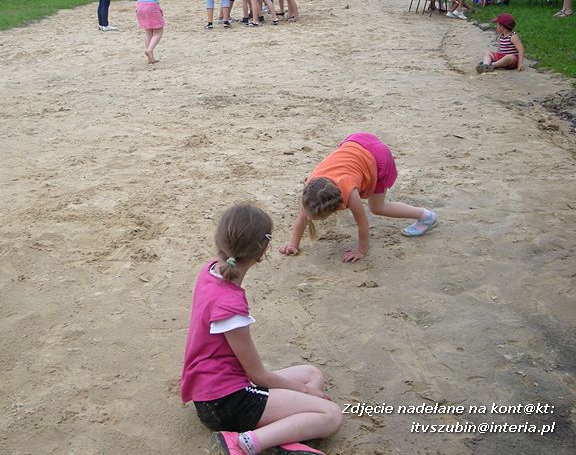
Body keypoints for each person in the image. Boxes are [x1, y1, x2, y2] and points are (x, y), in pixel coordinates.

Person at [181, 204, 343, 455]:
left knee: (312, 374)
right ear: (262, 251)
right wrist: (306, 392)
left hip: (210, 390)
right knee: (330, 414)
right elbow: (259, 376)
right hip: (226, 403)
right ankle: (242, 444)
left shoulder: (209, 270)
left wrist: (306, 389)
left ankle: (282, 431)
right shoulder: (231, 306)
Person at [279, 133, 438, 263]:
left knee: (377, 207)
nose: (306, 217)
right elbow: (302, 219)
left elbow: (363, 224)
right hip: (356, 141)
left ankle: (426, 216)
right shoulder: (312, 188)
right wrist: (293, 244)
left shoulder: (350, 194)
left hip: (378, 157)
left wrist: (361, 250)